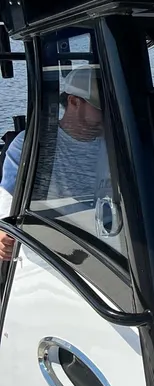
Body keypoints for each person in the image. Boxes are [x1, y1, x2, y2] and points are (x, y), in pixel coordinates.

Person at [0, 67, 107, 261]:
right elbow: (8, 203)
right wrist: (3, 235)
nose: (110, 115)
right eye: (102, 108)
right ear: (74, 101)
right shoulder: (33, 144)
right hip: (48, 254)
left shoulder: (116, 146)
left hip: (105, 249)